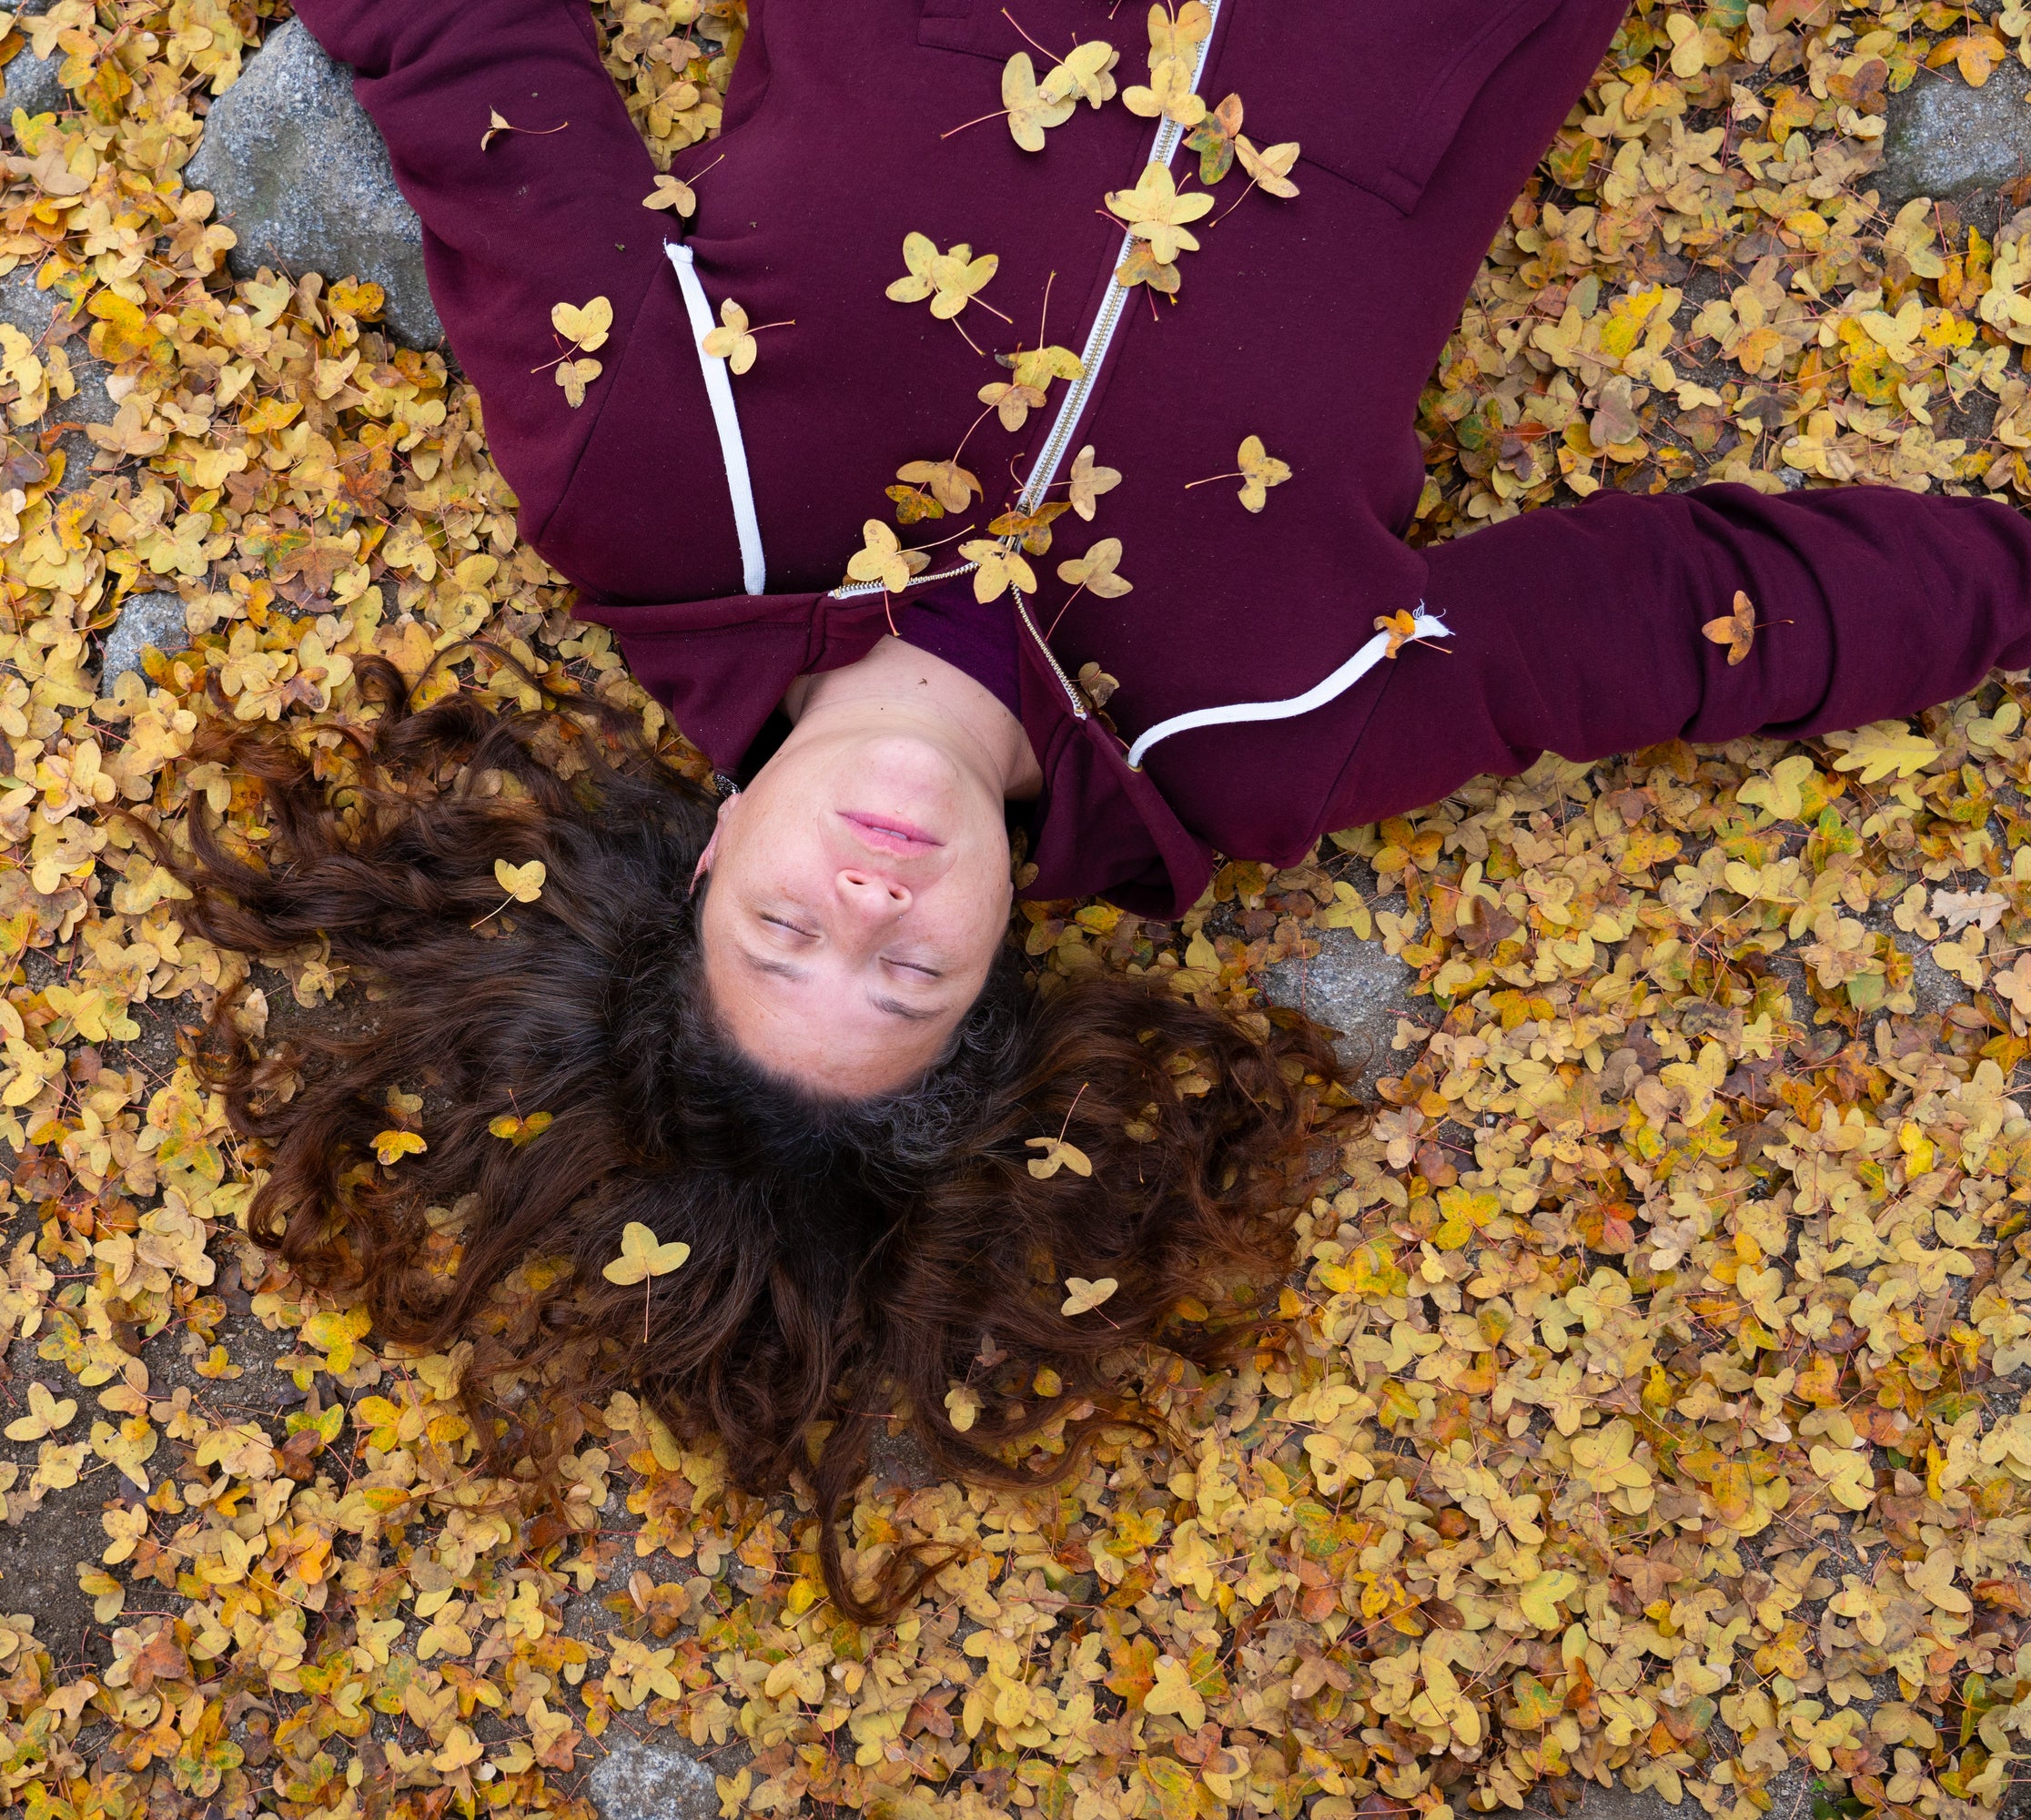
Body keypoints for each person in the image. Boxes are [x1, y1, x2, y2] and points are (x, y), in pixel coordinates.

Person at [160, 0, 2031, 1612]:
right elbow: (1677, 628)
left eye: (787, 932)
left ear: (710, 854)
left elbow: (462, 52)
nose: (872, 903)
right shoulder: (1262, 734)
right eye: (904, 984)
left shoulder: (651, 480)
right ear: (995, 973)